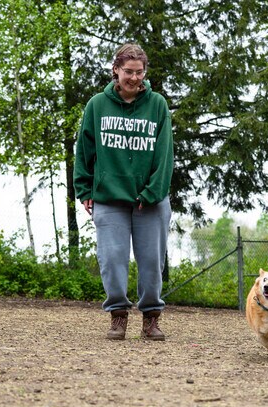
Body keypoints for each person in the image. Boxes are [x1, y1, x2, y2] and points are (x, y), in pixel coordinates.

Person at [73, 43, 174, 341]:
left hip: (150, 201)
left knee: (152, 262)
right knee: (112, 258)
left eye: (139, 72)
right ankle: (118, 315)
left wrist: (152, 192)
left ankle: (151, 318)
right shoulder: (96, 105)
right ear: (115, 70)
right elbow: (85, 150)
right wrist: (84, 188)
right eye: (128, 72)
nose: (134, 78)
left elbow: (164, 154)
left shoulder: (157, 105)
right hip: (109, 198)